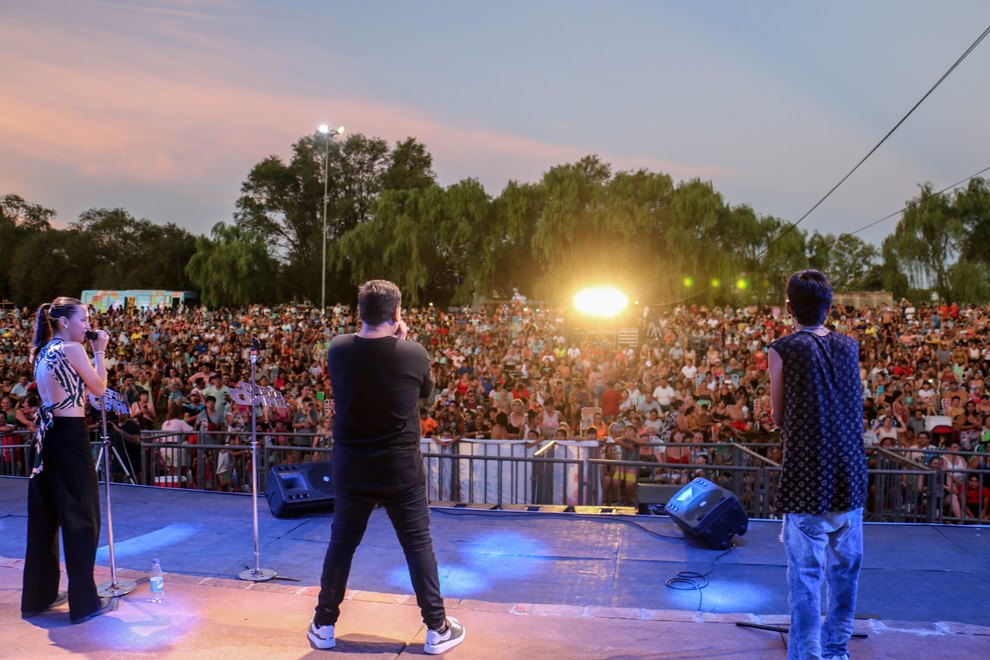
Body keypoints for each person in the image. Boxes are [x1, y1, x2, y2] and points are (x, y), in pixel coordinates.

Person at [308, 280, 465, 654]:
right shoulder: (413, 353)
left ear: (359, 312)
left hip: (351, 467)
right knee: (417, 545)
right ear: (396, 314)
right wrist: (403, 338)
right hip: (400, 469)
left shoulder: (338, 348)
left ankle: (323, 624)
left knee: (342, 544)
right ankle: (436, 628)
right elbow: (426, 394)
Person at [768, 270, 867, 660]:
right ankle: (837, 652)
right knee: (844, 579)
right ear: (829, 307)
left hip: (808, 478)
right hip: (850, 476)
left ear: (789, 308)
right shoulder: (849, 346)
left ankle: (807, 656)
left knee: (806, 582)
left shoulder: (783, 348)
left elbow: (778, 417)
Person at [21, 297, 118, 623]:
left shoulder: (42, 350)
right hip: (70, 436)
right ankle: (84, 603)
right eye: (84, 319)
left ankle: (38, 597)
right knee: (82, 518)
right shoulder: (72, 350)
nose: (88, 326)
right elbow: (100, 390)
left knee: (45, 518)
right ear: (64, 321)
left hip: (46, 438)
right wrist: (100, 351)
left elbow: (81, 393)